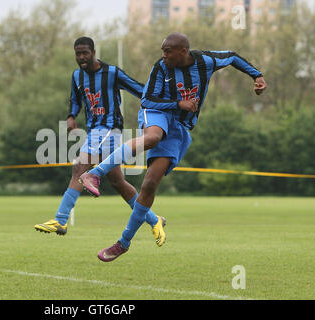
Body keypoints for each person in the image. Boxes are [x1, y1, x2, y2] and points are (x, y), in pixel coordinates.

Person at [79, 32, 267, 262]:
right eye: (162, 51)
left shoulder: (205, 62)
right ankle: (94, 173)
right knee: (153, 137)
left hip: (179, 126)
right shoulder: (160, 68)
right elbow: (147, 100)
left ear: (183, 52)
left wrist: (256, 76)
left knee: (149, 184)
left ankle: (123, 243)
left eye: (168, 51)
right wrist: (179, 103)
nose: (163, 55)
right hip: (157, 113)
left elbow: (233, 57)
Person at [35, 37, 166, 247]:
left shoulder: (112, 73)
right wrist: (71, 115)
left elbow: (139, 89)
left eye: (85, 53)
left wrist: (166, 102)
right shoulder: (77, 76)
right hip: (94, 130)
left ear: (93, 52)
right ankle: (154, 219)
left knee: (79, 167)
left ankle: (60, 220)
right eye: (78, 54)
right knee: (118, 183)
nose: (81, 57)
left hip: (109, 129)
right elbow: (75, 99)